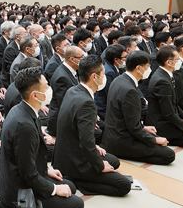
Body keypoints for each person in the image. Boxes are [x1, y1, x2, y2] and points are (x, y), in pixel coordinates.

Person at [0, 66, 84, 208]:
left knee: (70, 186)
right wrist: (54, 189)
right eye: (46, 86)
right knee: (77, 205)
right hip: (19, 190)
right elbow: (28, 174)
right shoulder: (24, 125)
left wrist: (46, 170)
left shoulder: (23, 109)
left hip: (21, 176)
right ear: (35, 95)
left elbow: (28, 159)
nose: (50, 89)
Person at [53, 55, 131, 197]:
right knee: (124, 186)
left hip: (63, 155)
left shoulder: (73, 90)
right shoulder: (86, 103)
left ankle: (78, 176)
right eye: (103, 74)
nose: (104, 77)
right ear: (94, 76)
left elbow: (75, 130)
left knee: (113, 161)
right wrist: (100, 165)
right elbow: (86, 142)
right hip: (75, 162)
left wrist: (95, 148)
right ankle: (78, 181)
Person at [102, 51, 175, 165]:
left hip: (113, 134)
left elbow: (127, 118)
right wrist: (154, 140)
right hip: (122, 139)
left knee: (157, 138)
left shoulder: (119, 79)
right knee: (168, 154)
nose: (149, 69)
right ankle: (122, 153)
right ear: (138, 68)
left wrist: (144, 127)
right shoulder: (130, 90)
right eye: (147, 66)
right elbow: (133, 128)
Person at [146, 46, 183, 149]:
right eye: (177, 59)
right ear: (168, 62)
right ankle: (166, 137)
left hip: (169, 117)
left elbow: (175, 103)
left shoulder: (166, 74)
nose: (179, 61)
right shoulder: (162, 81)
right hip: (161, 123)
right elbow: (168, 113)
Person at [47, 45, 83, 137]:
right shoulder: (62, 77)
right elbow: (65, 105)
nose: (83, 60)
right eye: (81, 57)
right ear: (72, 59)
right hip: (61, 123)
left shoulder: (69, 70)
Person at [93, 44, 126, 123]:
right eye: (124, 57)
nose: (126, 59)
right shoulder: (109, 73)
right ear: (116, 60)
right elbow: (111, 94)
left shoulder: (114, 68)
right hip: (103, 109)